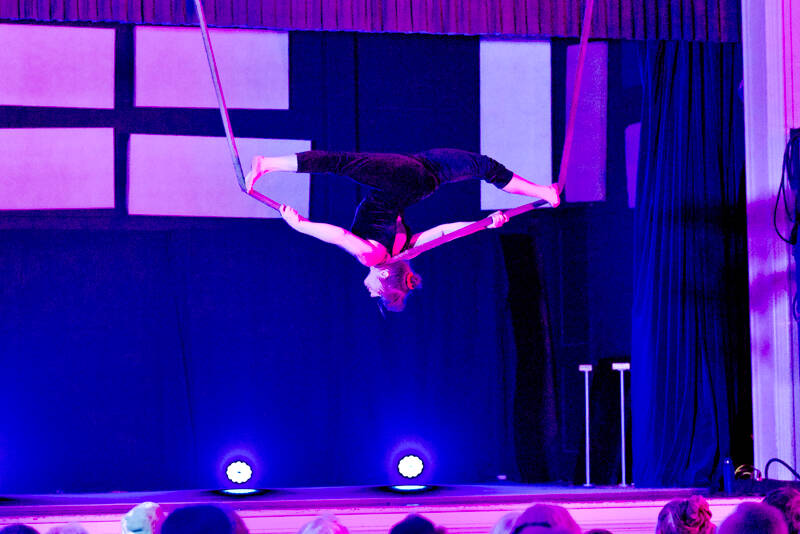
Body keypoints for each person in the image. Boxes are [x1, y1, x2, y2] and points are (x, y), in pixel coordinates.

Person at [246, 149, 562, 311]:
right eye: (376, 292)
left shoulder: (406, 249)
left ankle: (545, 194)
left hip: (425, 179)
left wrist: (485, 224)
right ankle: (266, 164)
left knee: (485, 168)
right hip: (404, 179)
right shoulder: (375, 259)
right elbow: (342, 237)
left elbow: (443, 234)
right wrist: (300, 226)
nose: (369, 292)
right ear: (385, 277)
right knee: (340, 163)